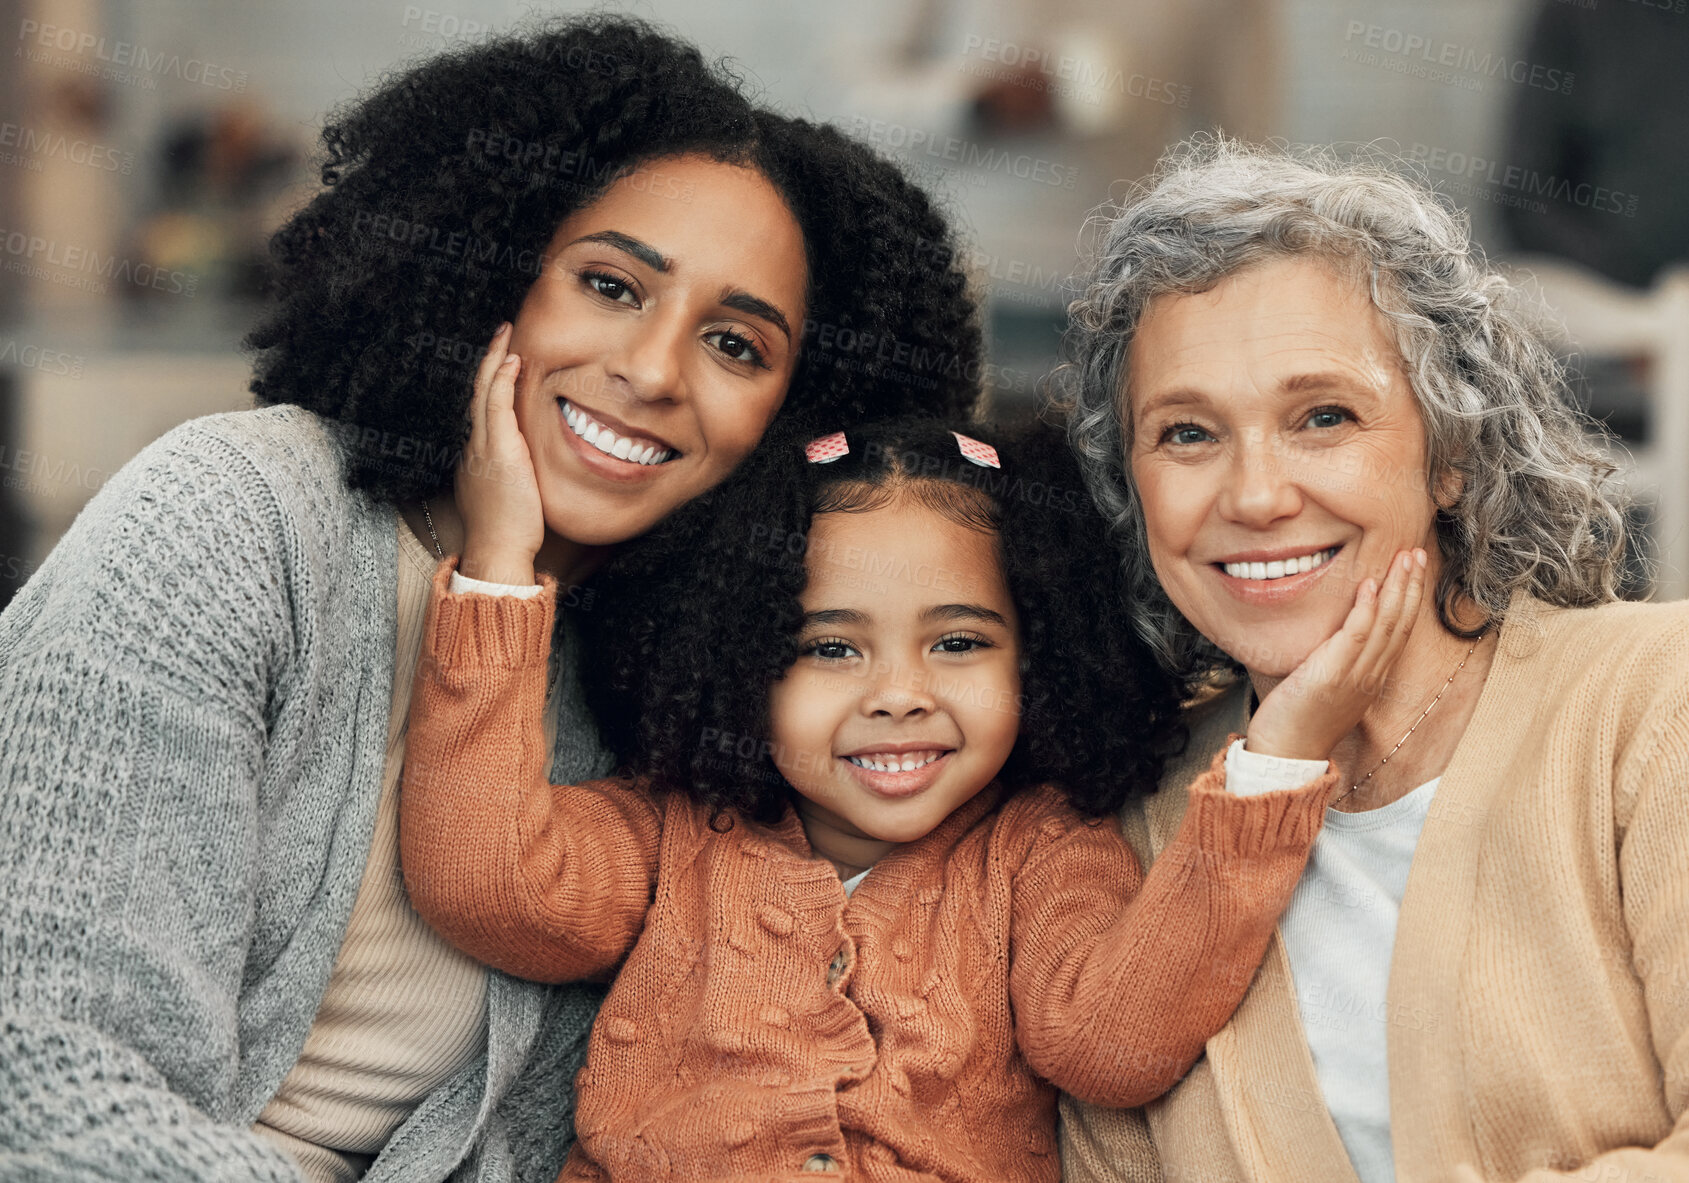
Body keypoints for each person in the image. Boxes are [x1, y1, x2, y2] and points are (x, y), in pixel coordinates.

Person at [0, 18, 984, 1183]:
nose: (656, 371)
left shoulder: (696, 685)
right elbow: (43, 1087)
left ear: (793, 412)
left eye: (735, 344)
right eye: (611, 284)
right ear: (490, 269)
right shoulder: (235, 520)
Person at [394, 382, 1434, 1179]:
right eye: (832, 649)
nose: (900, 694)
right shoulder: (679, 833)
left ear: (1038, 656)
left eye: (960, 643)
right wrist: (499, 564)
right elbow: (488, 884)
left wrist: (1279, 757)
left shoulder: (1039, 850)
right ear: (740, 657)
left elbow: (1113, 1042)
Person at [1054, 138, 1689, 1183]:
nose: (1256, 495)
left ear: (1449, 451)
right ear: (1132, 487)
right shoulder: (1130, 836)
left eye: (1324, 417)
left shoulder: (1650, 708)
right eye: (1186, 433)